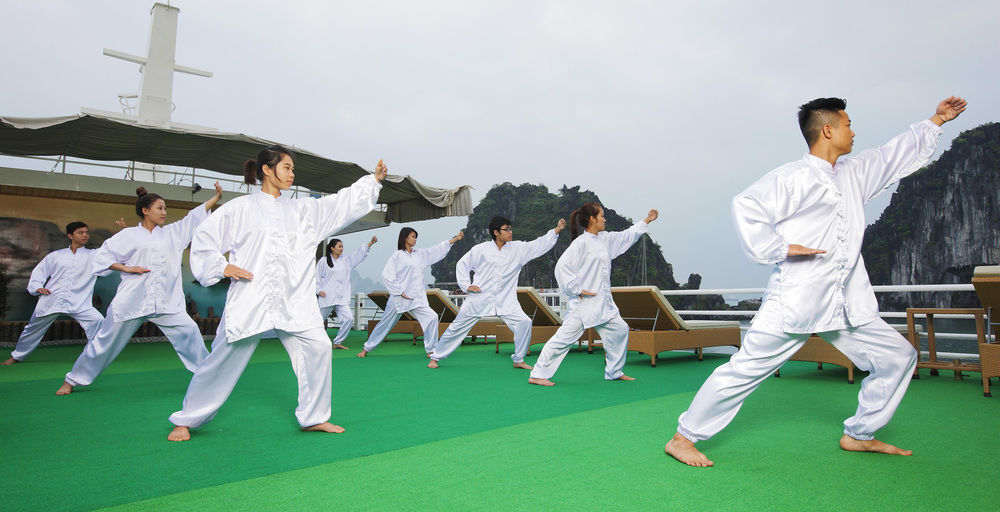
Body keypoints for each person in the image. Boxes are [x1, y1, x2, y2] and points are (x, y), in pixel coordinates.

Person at [665, 96, 968, 467]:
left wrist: (937, 119)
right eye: (848, 124)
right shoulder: (790, 177)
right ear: (828, 129)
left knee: (899, 356)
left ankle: (860, 433)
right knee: (744, 368)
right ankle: (683, 438)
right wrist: (780, 248)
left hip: (846, 302)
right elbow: (745, 205)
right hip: (795, 299)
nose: (853, 131)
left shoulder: (855, 173)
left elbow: (893, 155)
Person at [167, 146, 387, 442]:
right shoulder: (240, 208)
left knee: (319, 347)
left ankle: (314, 417)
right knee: (221, 358)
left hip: (294, 300)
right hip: (250, 298)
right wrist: (223, 266)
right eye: (286, 167)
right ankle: (187, 419)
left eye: (293, 169)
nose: (292, 174)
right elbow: (205, 240)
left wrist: (371, 182)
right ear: (267, 170)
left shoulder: (302, 210)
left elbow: (339, 205)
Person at [55, 182, 223, 395]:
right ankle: (72, 380)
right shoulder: (128, 235)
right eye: (159, 208)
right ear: (145, 210)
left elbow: (193, 217)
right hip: (132, 301)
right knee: (104, 342)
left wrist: (215, 198)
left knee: (190, 332)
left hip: (166, 302)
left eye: (165, 208)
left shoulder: (173, 233)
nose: (164, 212)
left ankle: (208, 378)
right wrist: (126, 267)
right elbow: (103, 257)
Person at [528, 204, 658, 385]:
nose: (605, 219)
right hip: (585, 305)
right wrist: (577, 289)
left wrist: (647, 221)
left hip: (604, 303)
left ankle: (614, 371)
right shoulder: (580, 243)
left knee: (620, 330)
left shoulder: (605, 239)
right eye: (602, 216)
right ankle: (537, 375)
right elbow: (562, 267)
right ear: (592, 219)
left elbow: (626, 236)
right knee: (563, 339)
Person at [429, 216, 565, 369]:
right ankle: (435, 357)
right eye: (506, 229)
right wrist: (467, 285)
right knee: (457, 328)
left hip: (506, 300)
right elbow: (462, 264)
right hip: (479, 298)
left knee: (524, 322)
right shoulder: (480, 250)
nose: (510, 232)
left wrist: (556, 231)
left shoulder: (518, 249)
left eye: (510, 229)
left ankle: (518, 359)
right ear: (496, 232)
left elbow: (538, 245)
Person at [2, 222, 106, 365]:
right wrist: (37, 287)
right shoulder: (55, 256)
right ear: (70, 235)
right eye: (80, 232)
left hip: (79, 302)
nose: (85, 235)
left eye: (86, 232)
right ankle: (17, 356)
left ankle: (93, 356)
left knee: (98, 321)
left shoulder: (93, 255)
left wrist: (123, 231)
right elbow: (39, 272)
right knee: (32, 329)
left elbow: (109, 252)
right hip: (51, 299)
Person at [357, 228, 463, 358]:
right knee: (385, 324)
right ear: (405, 238)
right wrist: (399, 292)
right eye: (412, 236)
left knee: (432, 317)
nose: (415, 239)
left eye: (415, 237)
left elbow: (437, 249)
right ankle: (366, 349)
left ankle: (431, 350)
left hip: (416, 297)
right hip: (399, 298)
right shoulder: (397, 256)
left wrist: (455, 239)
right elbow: (387, 275)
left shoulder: (420, 254)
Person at [316, 236, 377, 349]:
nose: (342, 248)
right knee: (317, 321)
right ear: (332, 248)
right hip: (327, 296)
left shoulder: (346, 261)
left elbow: (359, 254)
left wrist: (370, 243)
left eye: (342, 246)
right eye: (339, 246)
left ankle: (338, 342)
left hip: (341, 298)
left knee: (348, 319)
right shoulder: (324, 261)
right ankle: (312, 342)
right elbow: (316, 277)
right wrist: (319, 291)